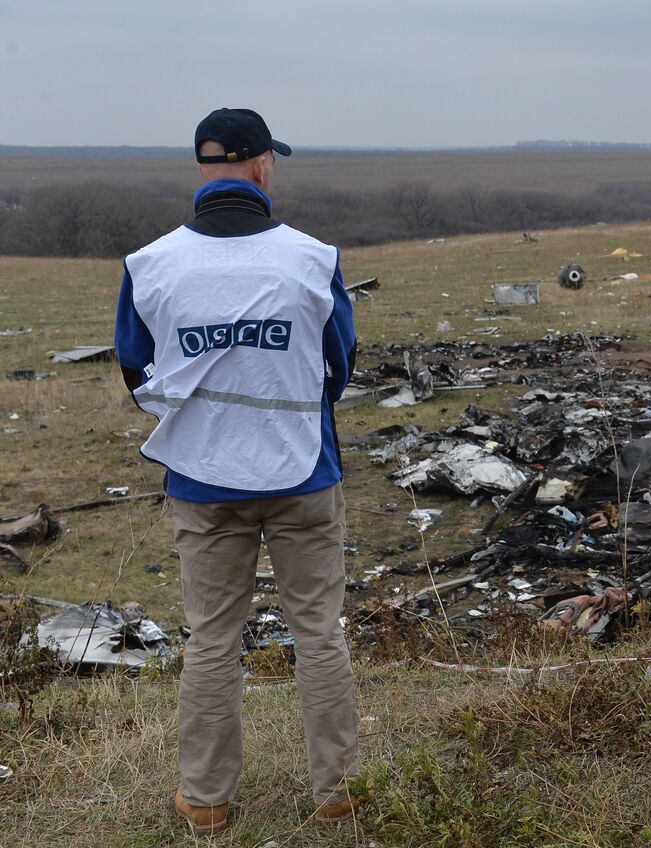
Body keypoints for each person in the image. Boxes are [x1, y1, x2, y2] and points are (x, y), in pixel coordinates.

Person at [113, 108, 358, 836]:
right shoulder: (312, 258)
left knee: (212, 639)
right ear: (260, 165)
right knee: (318, 631)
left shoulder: (150, 265)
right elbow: (338, 369)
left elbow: (137, 371)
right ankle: (335, 791)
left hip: (202, 481)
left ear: (203, 168)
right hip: (303, 475)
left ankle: (207, 801)